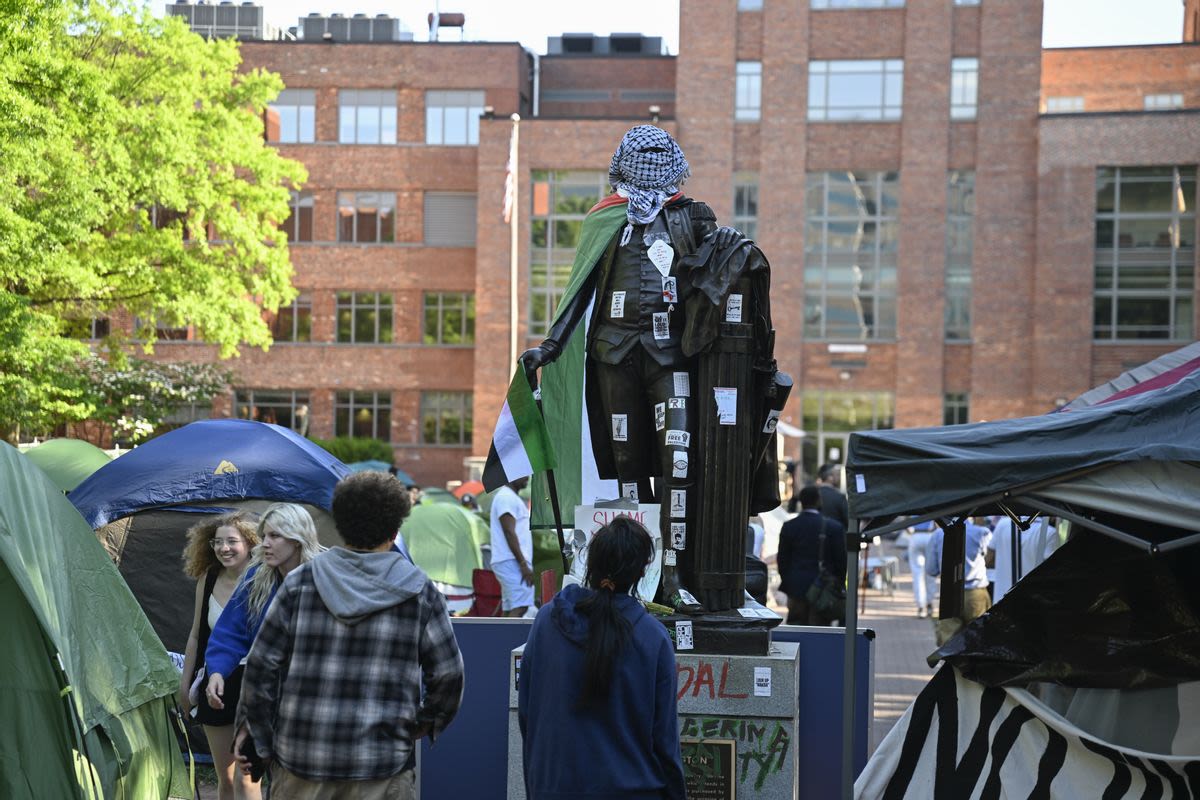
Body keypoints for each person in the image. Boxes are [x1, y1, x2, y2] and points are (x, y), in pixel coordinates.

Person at [519, 124, 743, 612]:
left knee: (678, 462)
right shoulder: (605, 220)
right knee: (628, 472)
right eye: (641, 156)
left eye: (659, 155)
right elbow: (581, 288)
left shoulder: (693, 217)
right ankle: (636, 578)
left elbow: (724, 273)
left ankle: (678, 573)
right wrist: (552, 344)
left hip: (671, 355)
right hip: (613, 355)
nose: (650, 163)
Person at [234, 471, 465, 796]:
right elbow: (449, 675)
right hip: (383, 767)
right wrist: (425, 722)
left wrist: (262, 741)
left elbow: (260, 670)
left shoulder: (300, 583)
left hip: (300, 763)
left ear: (340, 525)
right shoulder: (420, 592)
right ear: (396, 528)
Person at [518, 517, 686, 800]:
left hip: (552, 788)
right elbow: (665, 743)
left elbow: (528, 716)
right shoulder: (652, 637)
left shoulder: (547, 621)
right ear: (643, 572)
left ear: (590, 564)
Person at [204, 503, 325, 737]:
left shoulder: (325, 576)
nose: (265, 543)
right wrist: (217, 671)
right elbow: (231, 631)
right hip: (269, 696)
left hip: (316, 698)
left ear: (297, 539)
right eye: (264, 536)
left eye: (274, 536)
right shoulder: (257, 577)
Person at [178, 511, 260, 800]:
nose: (223, 548)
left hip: (255, 684)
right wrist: (185, 685)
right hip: (217, 682)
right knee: (225, 777)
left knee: (248, 776)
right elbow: (196, 635)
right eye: (217, 541)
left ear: (250, 543)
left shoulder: (264, 578)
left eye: (232, 541)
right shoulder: (209, 578)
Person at [776, 486, 847, 625]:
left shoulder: (789, 526)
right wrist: (837, 584)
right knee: (820, 632)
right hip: (823, 589)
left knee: (797, 632)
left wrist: (789, 583)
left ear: (801, 502)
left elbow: (782, 560)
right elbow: (841, 562)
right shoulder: (834, 527)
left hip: (796, 588)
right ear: (819, 500)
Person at [928, 516, 993, 645]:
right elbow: (991, 558)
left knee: (949, 644)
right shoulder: (982, 533)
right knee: (979, 641)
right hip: (976, 593)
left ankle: (953, 666)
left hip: (949, 593)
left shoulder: (937, 535)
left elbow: (931, 569)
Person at [490, 476, 534, 617]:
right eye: (522, 473)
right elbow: (509, 532)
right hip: (512, 561)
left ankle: (499, 639)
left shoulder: (509, 497)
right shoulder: (506, 497)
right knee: (521, 606)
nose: (527, 477)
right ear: (511, 475)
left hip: (510, 560)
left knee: (510, 608)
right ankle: (506, 640)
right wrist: (522, 563)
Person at [907, 520, 937, 619]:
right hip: (929, 535)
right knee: (930, 572)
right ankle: (929, 603)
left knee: (917, 574)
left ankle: (921, 606)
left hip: (916, 536)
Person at [814, 462, 850, 530]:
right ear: (830, 477)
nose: (839, 477)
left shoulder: (813, 495)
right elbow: (847, 521)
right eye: (837, 474)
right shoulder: (839, 497)